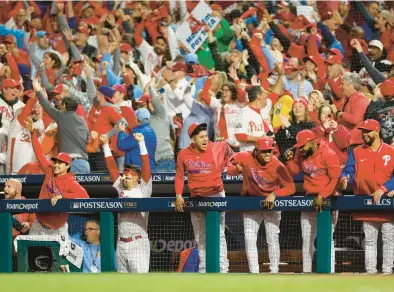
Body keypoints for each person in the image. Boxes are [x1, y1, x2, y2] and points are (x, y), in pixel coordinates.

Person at [227, 137, 295, 273]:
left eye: (269, 151)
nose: (267, 154)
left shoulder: (278, 165)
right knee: (250, 239)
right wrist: (237, 170)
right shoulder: (246, 157)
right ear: (256, 151)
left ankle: (274, 271)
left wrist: (275, 194)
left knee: (272, 238)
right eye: (264, 151)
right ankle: (254, 273)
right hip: (251, 203)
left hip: (271, 205)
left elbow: (291, 187)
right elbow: (228, 168)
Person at [175, 123, 235, 273]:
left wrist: (234, 165)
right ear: (193, 139)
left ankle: (223, 269)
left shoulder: (217, 147)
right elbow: (179, 177)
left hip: (216, 195)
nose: (205, 139)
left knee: (219, 234)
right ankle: (203, 270)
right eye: (201, 137)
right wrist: (178, 195)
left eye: (206, 136)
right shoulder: (183, 154)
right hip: (196, 198)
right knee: (200, 237)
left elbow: (234, 159)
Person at [339, 119, 394, 275]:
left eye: (368, 131)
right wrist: (345, 178)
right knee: (369, 240)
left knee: (389, 239)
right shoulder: (356, 152)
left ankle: (387, 271)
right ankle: (370, 272)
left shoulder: (391, 151)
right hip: (366, 201)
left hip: (387, 203)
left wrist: (384, 188)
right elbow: (348, 170)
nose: (364, 134)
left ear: (377, 131)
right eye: (363, 131)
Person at [284, 130, 341, 273]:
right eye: (299, 147)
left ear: (312, 142)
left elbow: (336, 179)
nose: (300, 149)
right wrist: (289, 161)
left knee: (327, 239)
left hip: (327, 201)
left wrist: (323, 194)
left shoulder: (328, 153)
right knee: (307, 239)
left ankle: (329, 271)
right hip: (309, 200)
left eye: (303, 146)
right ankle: (307, 272)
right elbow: (294, 171)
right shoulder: (301, 153)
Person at [25, 117, 89, 237]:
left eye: (60, 163)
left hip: (57, 230)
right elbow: (39, 153)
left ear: (67, 166)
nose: (56, 165)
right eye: (56, 162)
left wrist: (62, 196)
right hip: (39, 224)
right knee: (31, 253)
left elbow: (85, 196)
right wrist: (32, 132)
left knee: (56, 256)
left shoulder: (70, 181)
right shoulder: (49, 170)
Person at [101, 133, 151, 273]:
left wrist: (141, 143)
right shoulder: (120, 188)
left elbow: (146, 166)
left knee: (141, 285)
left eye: (129, 174)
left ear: (137, 178)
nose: (125, 175)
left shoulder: (143, 190)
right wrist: (105, 145)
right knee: (122, 285)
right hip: (121, 243)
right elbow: (112, 167)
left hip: (138, 242)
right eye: (124, 174)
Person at [32, 78, 91, 174]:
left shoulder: (62, 116)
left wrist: (37, 89)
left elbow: (46, 106)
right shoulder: (82, 120)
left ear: (64, 106)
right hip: (84, 163)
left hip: (71, 163)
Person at [235, 86, 273, 152]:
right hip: (250, 153)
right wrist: (260, 139)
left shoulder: (265, 111)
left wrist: (268, 137)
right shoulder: (242, 113)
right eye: (264, 93)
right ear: (258, 96)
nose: (267, 95)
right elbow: (239, 136)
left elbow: (270, 131)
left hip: (265, 153)